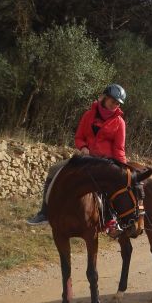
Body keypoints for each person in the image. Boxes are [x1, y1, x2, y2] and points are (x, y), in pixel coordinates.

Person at [27, 84, 134, 236]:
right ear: (104, 98)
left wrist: (123, 166)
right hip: (86, 159)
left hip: (106, 162)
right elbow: (79, 137)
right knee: (54, 170)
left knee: (112, 186)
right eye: (113, 101)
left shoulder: (120, 123)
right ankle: (45, 212)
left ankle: (112, 221)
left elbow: (119, 148)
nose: (115, 105)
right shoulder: (88, 115)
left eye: (118, 103)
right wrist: (83, 146)